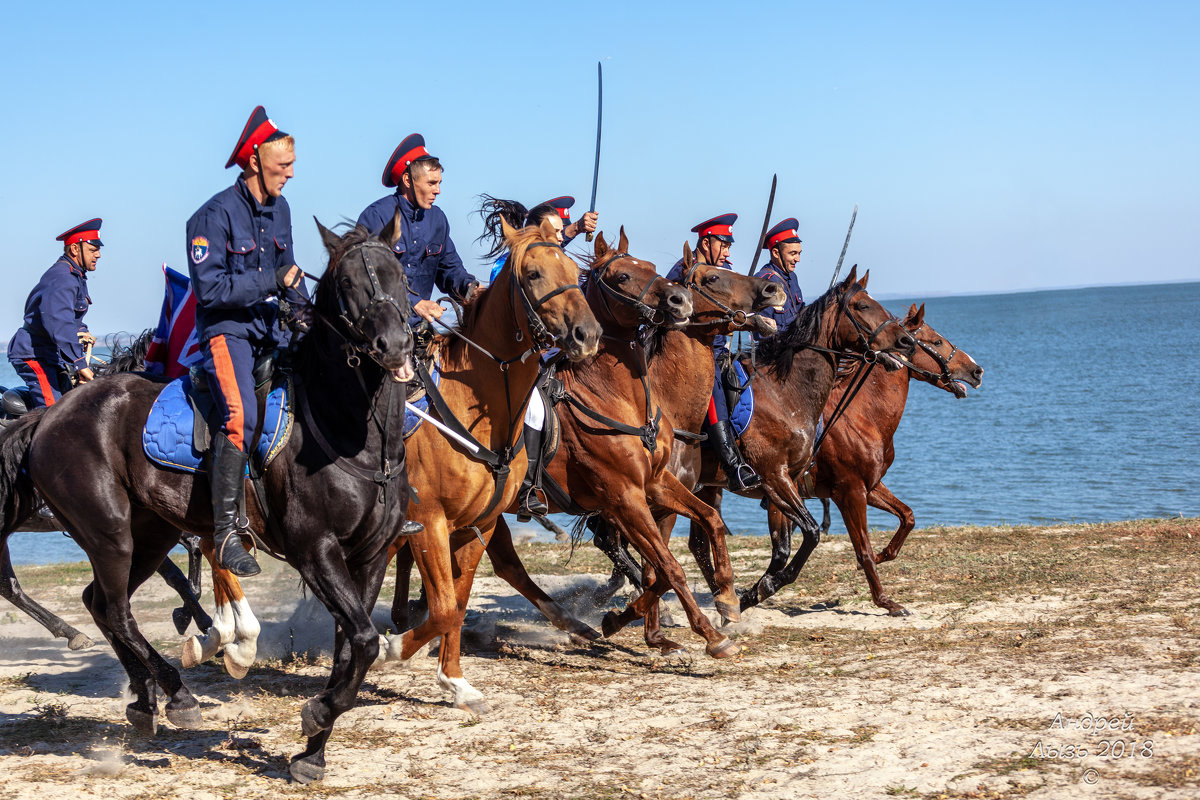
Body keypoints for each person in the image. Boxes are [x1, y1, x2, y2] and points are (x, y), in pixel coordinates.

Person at [186, 105, 307, 577]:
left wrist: (305, 315)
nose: (290, 175)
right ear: (255, 160)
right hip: (226, 332)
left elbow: (291, 275)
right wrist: (272, 281)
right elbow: (210, 291)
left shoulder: (283, 209)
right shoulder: (211, 216)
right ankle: (227, 533)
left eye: (292, 167)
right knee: (242, 418)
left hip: (273, 330)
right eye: (283, 167)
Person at [477, 196, 577, 519]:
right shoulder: (507, 267)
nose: (562, 236)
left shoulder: (552, 259)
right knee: (533, 410)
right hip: (513, 361)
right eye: (558, 229)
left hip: (546, 357)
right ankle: (528, 489)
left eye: (563, 230)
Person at [665, 213, 761, 491]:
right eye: (724, 244)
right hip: (692, 357)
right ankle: (734, 467)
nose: (728, 252)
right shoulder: (683, 271)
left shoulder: (723, 271)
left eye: (729, 246)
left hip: (720, 351)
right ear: (706, 243)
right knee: (714, 395)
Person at [357, 133, 479, 326]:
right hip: (379, 332)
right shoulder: (377, 216)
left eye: (439, 183)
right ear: (407, 180)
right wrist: (415, 303)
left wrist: (470, 288)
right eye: (431, 183)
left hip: (419, 331)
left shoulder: (438, 219)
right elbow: (370, 276)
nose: (438, 190)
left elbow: (450, 268)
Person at [7, 219, 104, 407]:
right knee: (53, 412)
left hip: (49, 354)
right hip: (33, 354)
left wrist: (83, 332)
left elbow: (73, 318)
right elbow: (60, 324)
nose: (98, 255)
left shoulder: (76, 276)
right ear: (75, 250)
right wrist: (79, 364)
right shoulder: (63, 278)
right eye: (93, 250)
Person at [753, 218, 804, 338]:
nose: (798, 259)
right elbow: (761, 333)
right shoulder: (764, 281)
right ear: (776, 253)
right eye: (793, 254)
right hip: (776, 351)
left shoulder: (792, 276)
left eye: (799, 253)